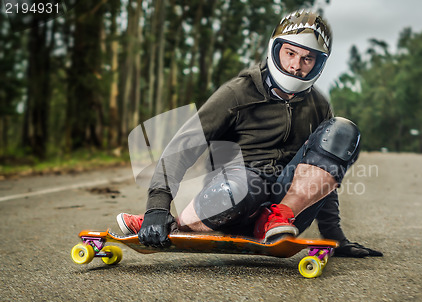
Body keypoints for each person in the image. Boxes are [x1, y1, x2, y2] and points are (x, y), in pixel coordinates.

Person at [117, 10, 382, 258]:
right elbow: (183, 147)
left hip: (285, 219)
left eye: (307, 58)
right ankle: (168, 224)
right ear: (275, 49)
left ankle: (274, 217)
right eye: (290, 53)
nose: (295, 66)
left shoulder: (319, 105)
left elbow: (322, 173)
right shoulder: (237, 93)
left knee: (342, 130)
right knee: (240, 188)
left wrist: (335, 238)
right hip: (233, 200)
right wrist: (157, 206)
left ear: (318, 63)